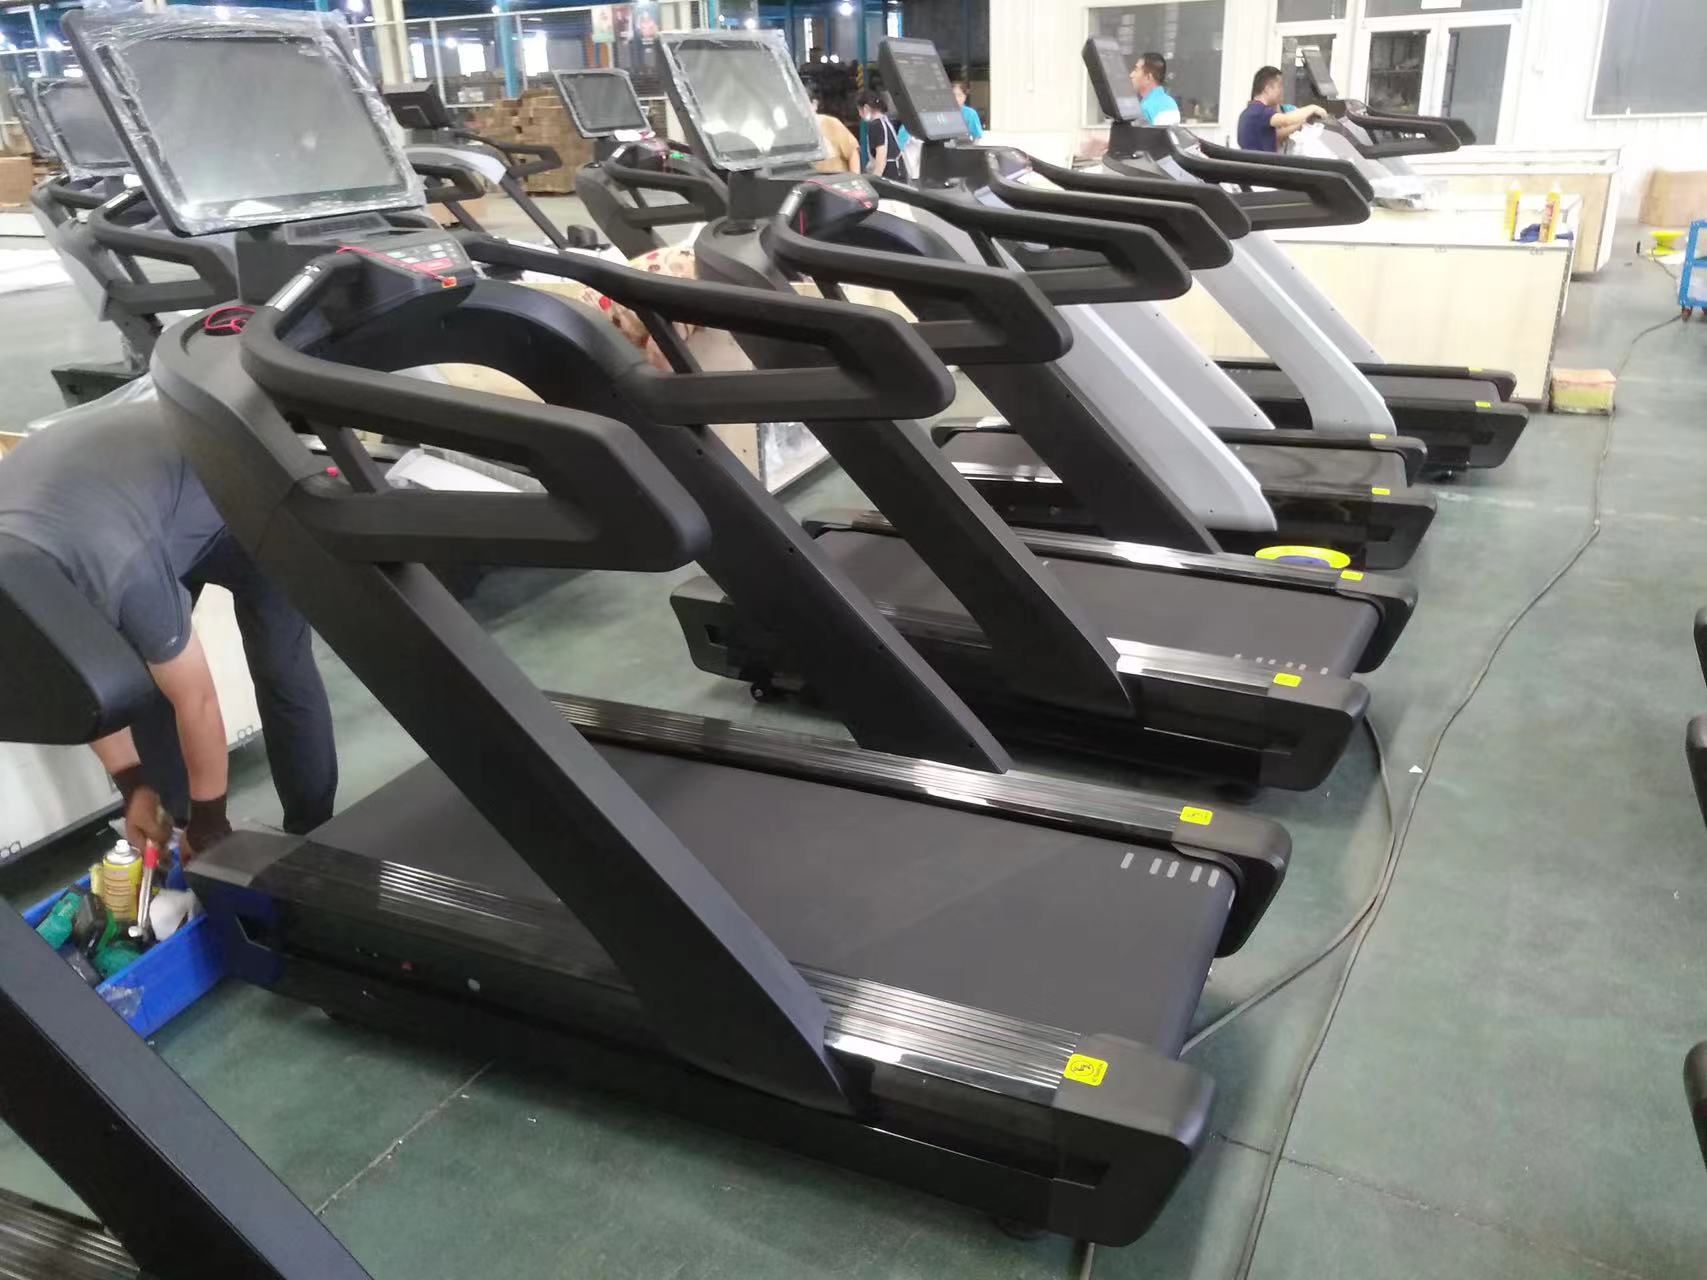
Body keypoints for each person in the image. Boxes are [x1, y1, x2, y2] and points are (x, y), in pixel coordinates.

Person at [0, 402, 337, 857]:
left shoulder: (118, 569)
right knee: (145, 683)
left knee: (281, 667)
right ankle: (172, 825)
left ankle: (314, 836)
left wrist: (211, 821)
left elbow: (197, 699)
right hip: (146, 502)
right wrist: (134, 785)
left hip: (247, 492)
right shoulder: (24, 594)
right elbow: (81, 683)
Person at [1237, 65, 1327, 153]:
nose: (1282, 91)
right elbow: (1287, 120)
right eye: (1279, 86)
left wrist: (1301, 123)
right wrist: (1313, 108)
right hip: (1262, 163)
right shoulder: (1260, 112)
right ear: (1267, 89)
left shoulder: (1248, 113)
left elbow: (1277, 136)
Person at [857, 89, 907, 180]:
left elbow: (881, 156)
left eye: (859, 110)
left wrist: (875, 179)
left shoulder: (875, 126)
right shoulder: (886, 121)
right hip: (899, 174)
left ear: (866, 108)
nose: (859, 114)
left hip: (889, 178)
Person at [810, 90, 860, 173]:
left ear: (814, 104)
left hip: (838, 178)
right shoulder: (794, 130)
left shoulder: (830, 123)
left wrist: (855, 178)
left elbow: (852, 152)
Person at [1129, 52, 1180, 126]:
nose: (1131, 75)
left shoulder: (1145, 109)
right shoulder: (1170, 102)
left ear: (1148, 78)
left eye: (1136, 70)